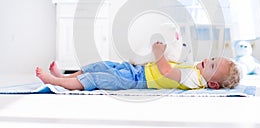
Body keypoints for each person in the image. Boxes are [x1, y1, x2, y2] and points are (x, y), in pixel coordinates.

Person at [36, 41, 240, 91]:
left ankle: (55, 82)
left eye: (212, 66)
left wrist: (159, 54)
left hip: (135, 80)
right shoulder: (197, 70)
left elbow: (167, 71)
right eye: (212, 58)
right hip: (136, 70)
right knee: (101, 65)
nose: (207, 61)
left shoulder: (193, 79)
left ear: (212, 84)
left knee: (97, 79)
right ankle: (64, 77)